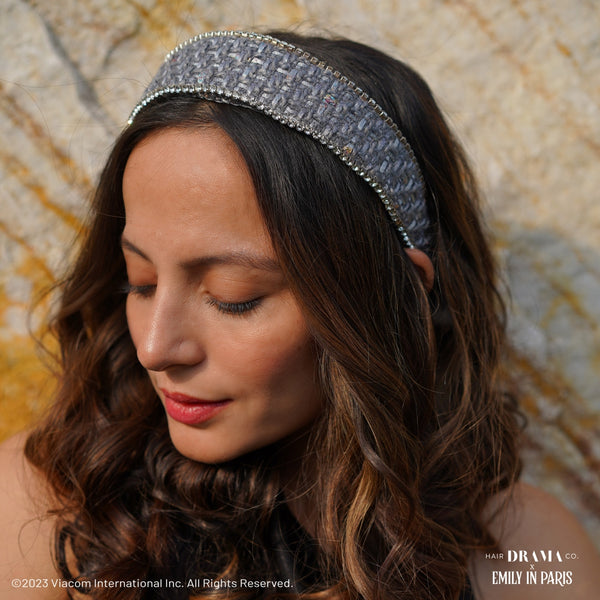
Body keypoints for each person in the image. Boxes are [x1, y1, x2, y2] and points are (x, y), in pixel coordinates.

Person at [1, 30, 598, 600]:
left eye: (234, 296)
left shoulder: (524, 552)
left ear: (393, 297)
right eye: (141, 282)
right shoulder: (50, 509)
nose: (155, 348)